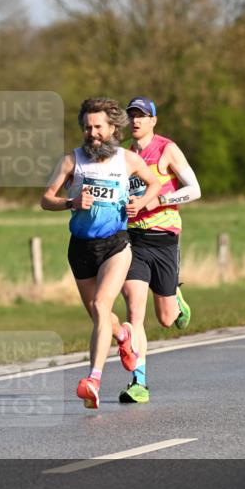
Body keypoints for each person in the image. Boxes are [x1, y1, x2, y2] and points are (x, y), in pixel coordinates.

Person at [41, 98, 161, 409]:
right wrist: (71, 202)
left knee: (101, 303)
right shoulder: (72, 161)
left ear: (112, 128)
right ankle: (123, 336)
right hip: (81, 246)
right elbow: (46, 199)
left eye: (98, 127)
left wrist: (141, 203)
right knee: (99, 315)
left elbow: (154, 185)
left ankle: (93, 380)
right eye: (87, 127)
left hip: (115, 244)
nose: (92, 133)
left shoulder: (128, 161)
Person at [118, 96, 202, 404]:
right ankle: (138, 382)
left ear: (154, 120)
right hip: (133, 241)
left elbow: (194, 190)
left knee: (167, 319)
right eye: (132, 116)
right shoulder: (124, 156)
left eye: (142, 116)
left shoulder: (167, 149)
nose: (136, 121)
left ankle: (175, 299)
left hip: (165, 237)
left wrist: (161, 200)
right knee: (134, 312)